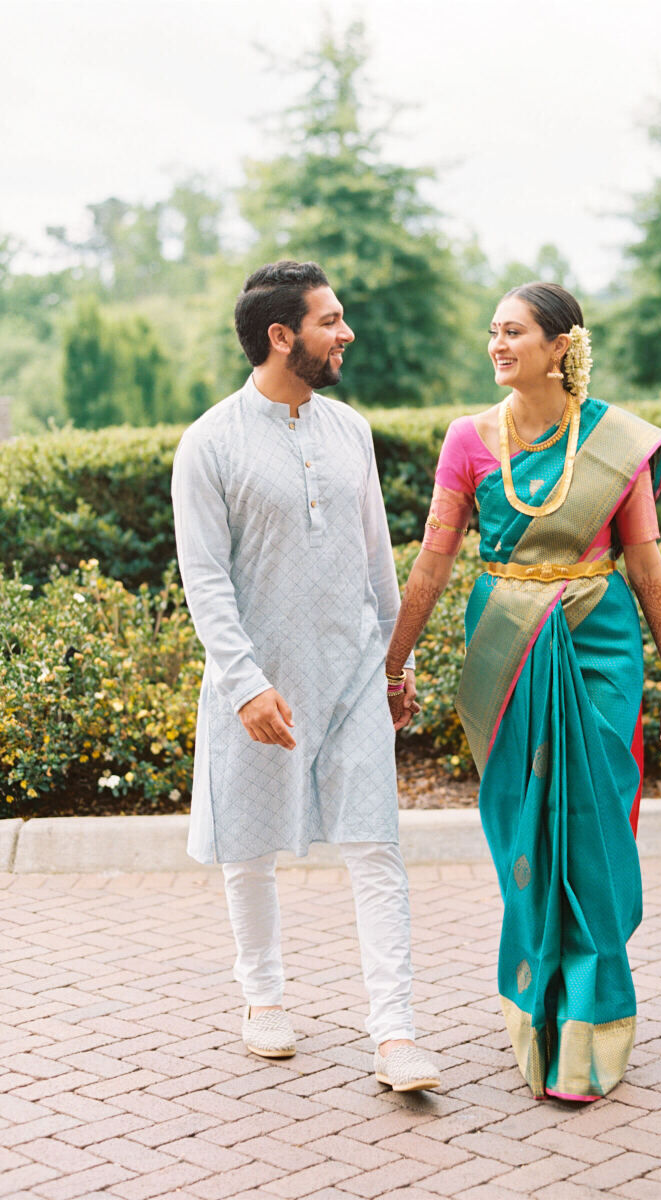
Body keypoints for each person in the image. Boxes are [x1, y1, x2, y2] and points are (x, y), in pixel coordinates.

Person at [385, 282, 661, 1101]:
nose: (497, 344)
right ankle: (536, 1003)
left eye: (514, 331)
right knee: (525, 825)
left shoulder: (615, 443)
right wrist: (395, 663)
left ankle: (591, 1019)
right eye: (493, 331)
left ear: (563, 345)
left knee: (592, 825)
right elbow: (433, 562)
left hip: (599, 643)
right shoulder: (467, 439)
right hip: (505, 650)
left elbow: (647, 567)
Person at [171, 260, 439, 1093]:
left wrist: (395, 664)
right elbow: (205, 578)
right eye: (331, 321)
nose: (346, 333)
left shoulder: (350, 430)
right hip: (258, 684)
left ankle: (394, 1032)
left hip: (354, 672)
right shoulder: (210, 442)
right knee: (249, 847)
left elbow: (375, 560)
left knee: (376, 846)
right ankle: (263, 999)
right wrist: (245, 684)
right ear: (281, 336)